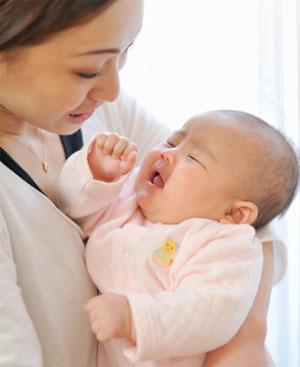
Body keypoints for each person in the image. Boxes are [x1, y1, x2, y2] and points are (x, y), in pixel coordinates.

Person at [0, 0, 286, 366]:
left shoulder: (101, 114)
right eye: (87, 70)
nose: (112, 90)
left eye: (125, 51)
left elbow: (238, 186)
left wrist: (244, 338)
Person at [58, 110, 298, 366]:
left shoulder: (224, 244)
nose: (167, 153)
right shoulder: (128, 197)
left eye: (193, 158)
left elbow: (210, 309)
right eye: (172, 141)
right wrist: (97, 175)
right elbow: (71, 209)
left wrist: (133, 317)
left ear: (234, 213)